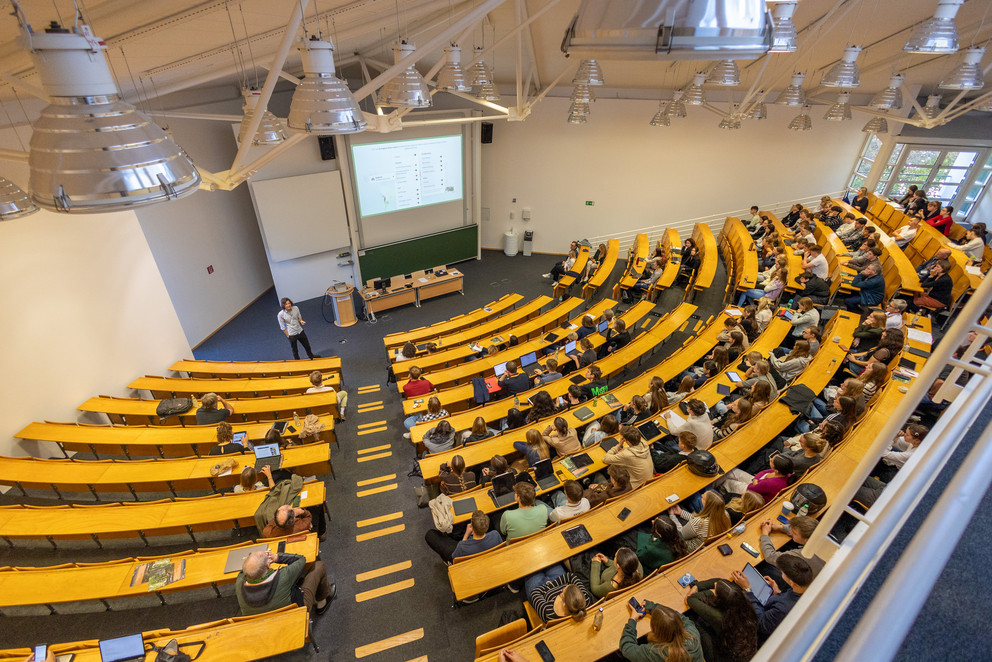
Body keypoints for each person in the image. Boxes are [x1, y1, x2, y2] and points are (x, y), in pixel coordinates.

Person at [732, 555, 813, 642]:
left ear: (792, 582)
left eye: (782, 572)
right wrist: (777, 592)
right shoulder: (804, 589)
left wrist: (747, 589)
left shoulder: (783, 608)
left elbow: (761, 623)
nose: (781, 573)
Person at [235, 548, 334, 616]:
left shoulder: (239, 583)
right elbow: (301, 559)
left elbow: (244, 571)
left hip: (261, 622)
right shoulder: (283, 576)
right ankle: (322, 604)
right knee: (318, 566)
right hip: (295, 613)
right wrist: (276, 557)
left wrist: (254, 562)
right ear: (268, 566)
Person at [686, 578, 759, 662]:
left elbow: (691, 599)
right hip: (745, 653)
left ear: (721, 600)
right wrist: (697, 586)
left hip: (721, 657)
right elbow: (720, 581)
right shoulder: (746, 606)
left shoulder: (721, 618)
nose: (715, 585)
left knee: (696, 619)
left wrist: (712, 591)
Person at [621, 601, 705, 662]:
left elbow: (627, 648)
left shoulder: (657, 652)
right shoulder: (693, 633)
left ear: (656, 631)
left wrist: (633, 619)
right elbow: (681, 617)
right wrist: (654, 607)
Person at [757, 515, 826, 579]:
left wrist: (765, 533)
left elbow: (770, 556)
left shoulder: (802, 554)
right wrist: (780, 527)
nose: (790, 532)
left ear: (807, 540)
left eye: (794, 533)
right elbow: (800, 530)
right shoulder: (820, 535)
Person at [426, 509, 503, 565]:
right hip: (488, 560)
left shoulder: (462, 546)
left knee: (430, 535)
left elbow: (455, 559)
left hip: (467, 561)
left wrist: (466, 535)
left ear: (472, 527)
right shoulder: (495, 534)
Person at [526, 567, 594, 623]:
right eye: (567, 585)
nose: (562, 589)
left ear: (564, 604)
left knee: (529, 567)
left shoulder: (548, 613)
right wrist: (552, 584)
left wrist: (549, 586)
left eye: (562, 592)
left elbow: (535, 592)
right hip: (558, 581)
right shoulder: (584, 598)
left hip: (541, 589)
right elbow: (570, 576)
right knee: (551, 558)